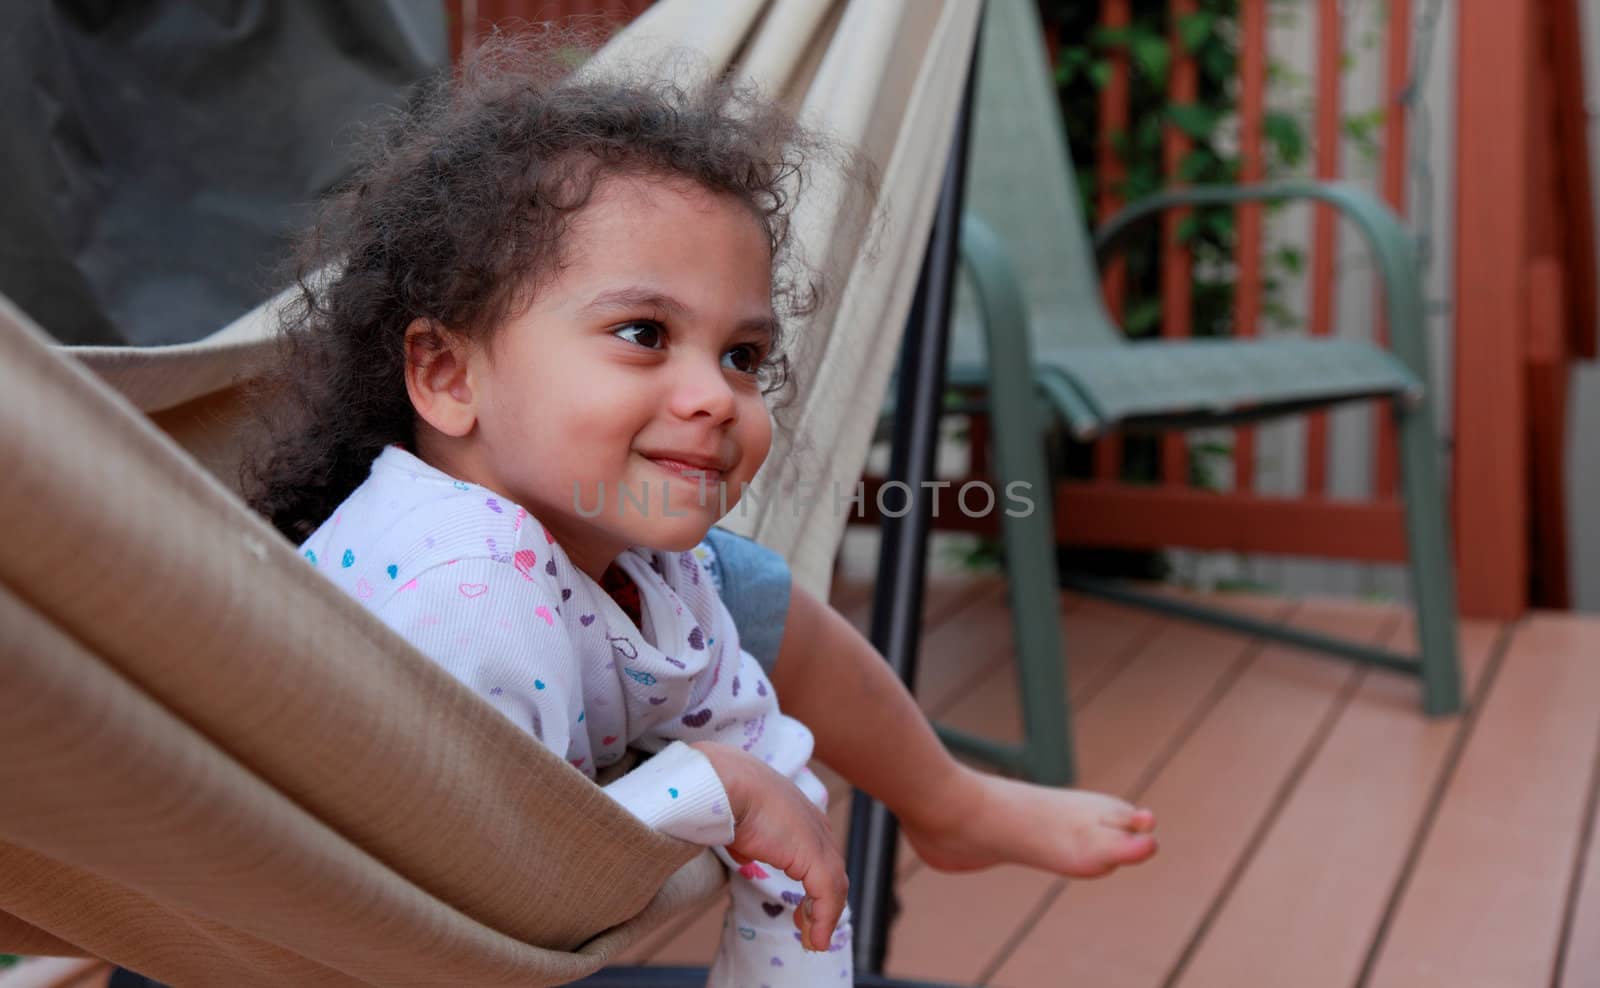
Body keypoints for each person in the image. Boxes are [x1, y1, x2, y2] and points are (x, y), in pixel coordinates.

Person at [245, 41, 1154, 987]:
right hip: (304, 954)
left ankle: (949, 802)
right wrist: (711, 789)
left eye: (744, 356)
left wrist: (762, 831)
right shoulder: (467, 590)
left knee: (741, 582)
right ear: (448, 375)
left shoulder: (642, 568)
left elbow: (765, 764)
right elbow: (494, 895)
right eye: (643, 334)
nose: (718, 397)